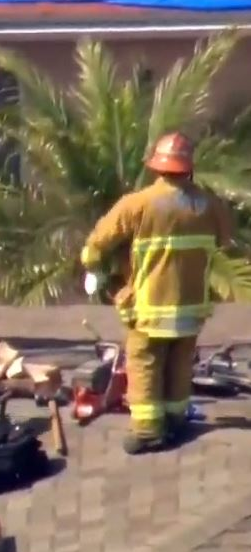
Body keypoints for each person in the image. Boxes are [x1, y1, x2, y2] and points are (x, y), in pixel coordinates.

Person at [80, 131, 233, 454]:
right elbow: (224, 239)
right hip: (191, 305)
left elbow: (95, 249)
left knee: (145, 363)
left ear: (156, 167)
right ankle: (175, 421)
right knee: (179, 363)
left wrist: (97, 266)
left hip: (150, 307)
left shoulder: (137, 204)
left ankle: (148, 431)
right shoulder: (209, 206)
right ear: (189, 168)